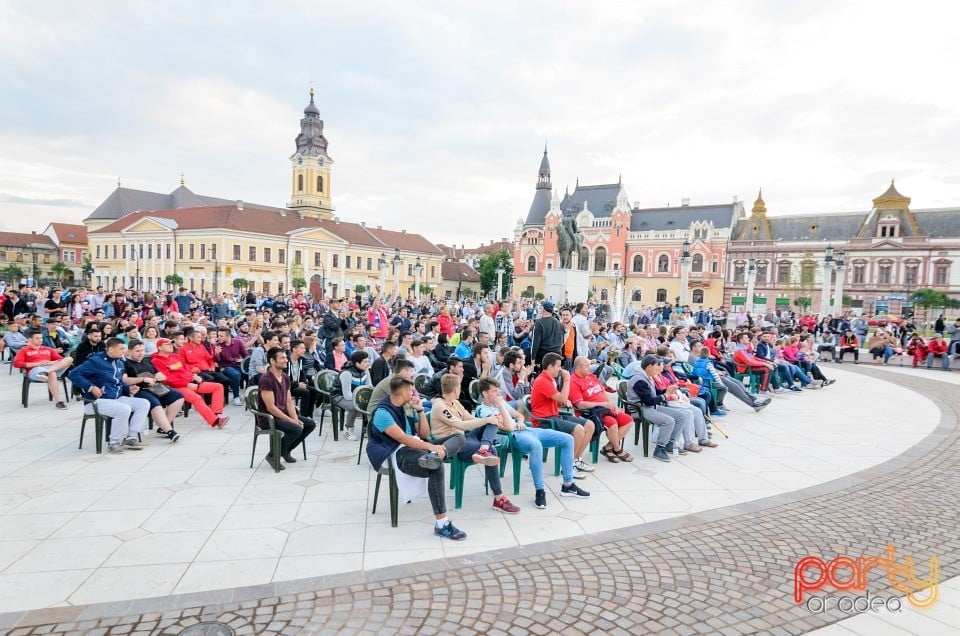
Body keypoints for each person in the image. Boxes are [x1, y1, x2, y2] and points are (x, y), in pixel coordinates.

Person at [366, 374, 468, 540]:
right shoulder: (382, 413)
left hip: (417, 447)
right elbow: (403, 439)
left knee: (459, 437)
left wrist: (420, 410)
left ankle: (436, 455)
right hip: (397, 453)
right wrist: (430, 446)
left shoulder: (407, 406)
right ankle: (442, 524)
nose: (415, 393)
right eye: (412, 391)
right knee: (436, 466)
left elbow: (424, 434)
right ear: (404, 392)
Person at [477, 376, 589, 509]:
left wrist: (519, 421)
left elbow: (519, 415)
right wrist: (501, 406)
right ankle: (540, 491)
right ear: (485, 393)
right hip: (512, 436)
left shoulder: (500, 403)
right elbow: (507, 427)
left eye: (497, 390)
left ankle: (568, 485)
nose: (498, 394)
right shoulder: (483, 410)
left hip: (526, 429)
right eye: (494, 391)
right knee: (536, 446)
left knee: (567, 439)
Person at [430, 375, 521, 514]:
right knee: (492, 447)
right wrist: (486, 420)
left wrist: (489, 419)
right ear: (456, 389)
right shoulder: (439, 406)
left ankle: (483, 449)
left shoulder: (455, 402)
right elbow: (460, 424)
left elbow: (470, 418)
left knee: (493, 421)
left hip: (464, 438)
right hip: (452, 444)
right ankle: (498, 497)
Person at [68, 337, 150, 453]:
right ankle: (113, 442)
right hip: (97, 401)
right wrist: (91, 387)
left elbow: (118, 382)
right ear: (111, 350)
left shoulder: (120, 362)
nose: (124, 351)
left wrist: (129, 388)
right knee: (124, 409)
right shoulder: (96, 361)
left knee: (143, 403)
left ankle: (131, 437)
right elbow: (73, 374)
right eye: (121, 348)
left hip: (116, 398)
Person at [529, 352, 596, 477]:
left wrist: (563, 401)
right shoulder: (542, 380)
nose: (560, 369)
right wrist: (567, 379)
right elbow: (563, 398)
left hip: (553, 415)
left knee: (589, 425)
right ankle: (568, 467)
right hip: (544, 420)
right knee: (579, 430)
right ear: (550, 367)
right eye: (558, 366)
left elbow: (558, 401)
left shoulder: (550, 380)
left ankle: (575, 460)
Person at [257, 347, 317, 470]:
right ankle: (273, 455)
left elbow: (289, 401)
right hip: (269, 418)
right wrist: (291, 421)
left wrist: (295, 418)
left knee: (309, 424)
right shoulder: (266, 379)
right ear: (272, 361)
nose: (286, 360)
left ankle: (285, 450)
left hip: (282, 415)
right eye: (282, 358)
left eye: (286, 357)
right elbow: (271, 407)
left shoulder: (284, 376)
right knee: (295, 429)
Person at [568, 356, 634, 462]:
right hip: (590, 413)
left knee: (628, 420)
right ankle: (617, 449)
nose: (589, 368)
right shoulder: (573, 381)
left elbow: (602, 391)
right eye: (586, 366)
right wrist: (603, 404)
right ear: (578, 367)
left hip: (605, 408)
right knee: (612, 423)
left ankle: (608, 448)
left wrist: (612, 404)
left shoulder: (591, 376)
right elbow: (580, 405)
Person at [151, 338, 228, 428]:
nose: (170, 346)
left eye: (171, 344)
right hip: (176, 387)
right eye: (167, 344)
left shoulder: (175, 356)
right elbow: (168, 380)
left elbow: (185, 368)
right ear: (159, 347)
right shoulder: (156, 361)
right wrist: (186, 384)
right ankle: (215, 421)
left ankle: (215, 415)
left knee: (218, 387)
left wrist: (194, 375)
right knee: (197, 399)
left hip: (190, 382)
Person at [122, 339, 184, 442]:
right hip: (139, 389)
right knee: (156, 404)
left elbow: (160, 375)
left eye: (142, 350)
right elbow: (125, 380)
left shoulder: (147, 361)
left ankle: (163, 427)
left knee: (178, 397)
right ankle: (169, 431)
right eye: (137, 351)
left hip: (155, 387)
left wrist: (160, 377)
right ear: (129, 351)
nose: (141, 353)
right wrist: (142, 379)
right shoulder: (126, 364)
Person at [625, 356, 682, 462]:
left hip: (650, 407)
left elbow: (655, 392)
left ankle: (670, 443)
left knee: (680, 416)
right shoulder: (639, 380)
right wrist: (666, 395)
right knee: (668, 421)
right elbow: (648, 401)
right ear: (649, 366)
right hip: (640, 409)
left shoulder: (647, 376)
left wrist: (667, 390)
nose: (658, 369)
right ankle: (659, 449)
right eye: (656, 366)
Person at [13, 330, 72, 409]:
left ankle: (46, 372)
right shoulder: (24, 350)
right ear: (30, 339)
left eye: (41, 338)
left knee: (69, 359)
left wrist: (50, 362)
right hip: (35, 370)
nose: (40, 340)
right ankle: (59, 401)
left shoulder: (48, 349)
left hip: (50, 368)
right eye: (37, 338)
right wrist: (37, 364)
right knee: (52, 373)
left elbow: (60, 359)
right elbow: (16, 364)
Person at [336, 350, 372, 441]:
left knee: (372, 404)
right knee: (354, 407)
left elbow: (369, 388)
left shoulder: (365, 372)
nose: (368, 364)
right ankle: (348, 430)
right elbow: (347, 395)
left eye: (368, 361)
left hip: (357, 396)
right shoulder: (347, 373)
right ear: (357, 363)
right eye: (365, 362)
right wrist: (360, 402)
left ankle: (367, 428)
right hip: (339, 396)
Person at [213, 326, 247, 406]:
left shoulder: (238, 342)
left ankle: (248, 394)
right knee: (236, 374)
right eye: (218, 335)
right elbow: (217, 361)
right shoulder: (218, 345)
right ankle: (236, 396)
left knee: (249, 373)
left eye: (221, 336)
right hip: (225, 367)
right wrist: (217, 354)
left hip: (238, 365)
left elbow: (245, 355)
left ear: (228, 336)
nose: (219, 338)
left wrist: (243, 360)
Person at [288, 338, 320, 417]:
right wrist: (297, 384)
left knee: (314, 390)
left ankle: (310, 415)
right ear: (294, 349)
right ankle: (303, 416)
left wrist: (304, 383)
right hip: (288, 386)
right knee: (305, 392)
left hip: (298, 385)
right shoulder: (287, 361)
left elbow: (303, 374)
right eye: (301, 348)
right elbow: (285, 380)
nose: (304, 350)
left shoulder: (300, 360)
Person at [529, 301, 563, 369]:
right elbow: (562, 341)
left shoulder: (539, 323)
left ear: (543, 309)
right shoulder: (558, 323)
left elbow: (535, 343)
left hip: (544, 356)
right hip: (557, 354)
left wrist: (532, 361)